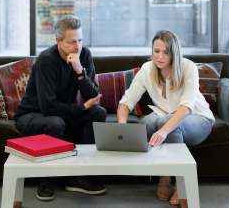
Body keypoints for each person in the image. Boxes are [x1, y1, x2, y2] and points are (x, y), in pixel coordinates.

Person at [14, 15, 107, 202]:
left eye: (80, 40)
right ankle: (46, 179)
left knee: (99, 113)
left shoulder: (84, 55)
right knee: (55, 123)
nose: (77, 47)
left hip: (61, 113)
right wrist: (81, 109)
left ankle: (77, 176)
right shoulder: (47, 60)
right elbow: (48, 108)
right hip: (31, 115)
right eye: (72, 42)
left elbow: (93, 97)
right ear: (58, 40)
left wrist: (80, 71)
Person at [116, 30, 214, 205]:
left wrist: (164, 130)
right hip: (165, 114)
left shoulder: (188, 67)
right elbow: (126, 102)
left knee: (163, 122)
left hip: (198, 118)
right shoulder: (147, 69)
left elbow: (186, 107)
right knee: (146, 122)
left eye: (166, 52)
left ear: (174, 53)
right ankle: (165, 173)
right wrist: (122, 128)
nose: (160, 57)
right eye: (156, 51)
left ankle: (179, 182)